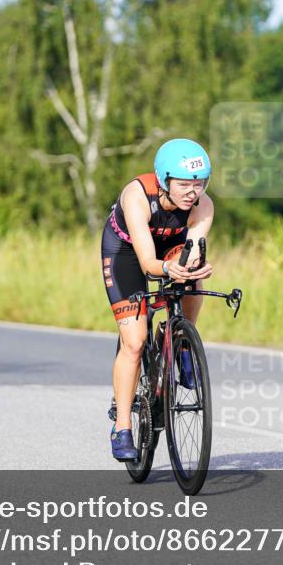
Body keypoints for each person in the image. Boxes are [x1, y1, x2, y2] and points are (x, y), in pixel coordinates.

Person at [100, 139, 215, 461]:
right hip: (127, 252)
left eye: (199, 183)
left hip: (171, 247)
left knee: (193, 275)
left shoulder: (203, 205)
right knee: (134, 342)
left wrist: (193, 267)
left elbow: (193, 247)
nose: (192, 192)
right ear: (164, 180)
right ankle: (122, 426)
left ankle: (180, 341)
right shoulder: (137, 195)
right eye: (183, 184)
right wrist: (167, 268)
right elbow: (149, 263)